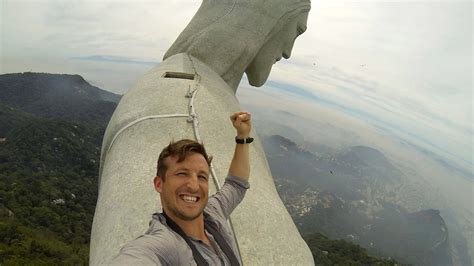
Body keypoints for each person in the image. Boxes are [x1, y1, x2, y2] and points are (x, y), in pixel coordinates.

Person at [112, 111, 252, 265]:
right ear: (159, 184)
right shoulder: (162, 246)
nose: (193, 186)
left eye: (201, 177)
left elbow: (236, 184)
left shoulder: (214, 211)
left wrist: (243, 136)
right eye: (182, 174)